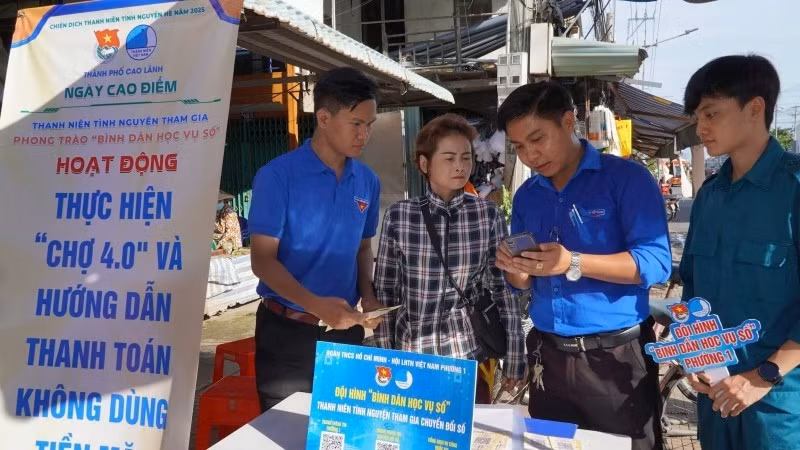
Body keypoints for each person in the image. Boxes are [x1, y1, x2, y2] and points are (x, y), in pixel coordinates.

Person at [494, 81, 671, 450]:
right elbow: (522, 284)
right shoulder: (528, 194)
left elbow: (655, 264)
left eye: (537, 139)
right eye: (519, 147)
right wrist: (515, 267)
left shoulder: (626, 179)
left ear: (568, 121)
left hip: (616, 360)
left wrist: (572, 261)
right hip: (549, 358)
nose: (530, 155)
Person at [679, 55, 800, 450]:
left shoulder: (794, 188)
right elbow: (692, 289)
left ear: (755, 108)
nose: (702, 128)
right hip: (714, 394)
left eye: (711, 113)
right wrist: (694, 355)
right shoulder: (709, 197)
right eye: (698, 116)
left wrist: (763, 375)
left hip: (779, 405)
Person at [248, 67, 383, 411]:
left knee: (343, 432)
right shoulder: (277, 176)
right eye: (356, 124)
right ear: (323, 118)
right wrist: (316, 304)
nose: (364, 135)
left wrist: (367, 296)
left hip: (345, 333)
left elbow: (363, 248)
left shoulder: (367, 180)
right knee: (288, 432)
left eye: (369, 125)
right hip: (287, 333)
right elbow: (262, 260)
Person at [373, 114, 526, 404]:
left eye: (466, 157)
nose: (460, 166)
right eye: (448, 158)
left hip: (466, 356)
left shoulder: (487, 216)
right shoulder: (400, 216)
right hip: (411, 360)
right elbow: (386, 294)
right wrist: (385, 359)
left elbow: (502, 289)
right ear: (424, 164)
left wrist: (516, 353)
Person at [212, 190, 242, 256]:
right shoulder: (215, 211)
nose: (217, 203)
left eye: (219, 201)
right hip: (219, 237)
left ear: (224, 201)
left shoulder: (229, 212)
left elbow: (230, 233)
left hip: (230, 240)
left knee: (225, 247)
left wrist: (218, 244)